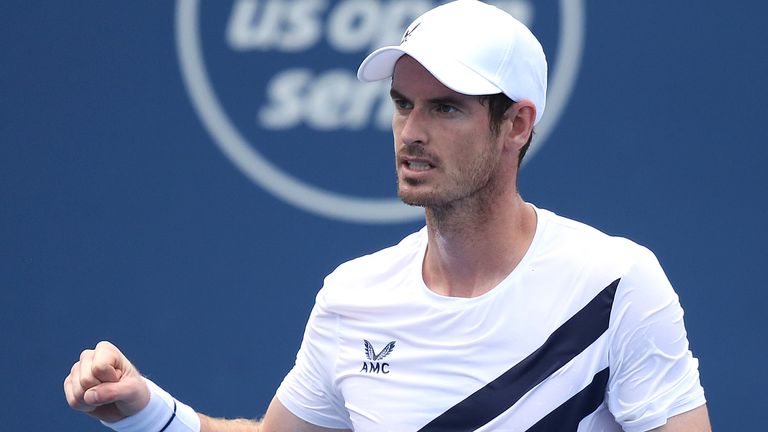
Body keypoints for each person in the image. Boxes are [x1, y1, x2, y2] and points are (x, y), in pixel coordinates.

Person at [64, 1, 711, 431]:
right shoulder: (352, 298)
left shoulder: (616, 285)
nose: (411, 132)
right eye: (403, 104)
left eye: (446, 108)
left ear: (515, 124)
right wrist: (145, 410)